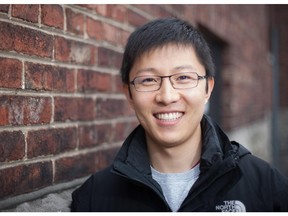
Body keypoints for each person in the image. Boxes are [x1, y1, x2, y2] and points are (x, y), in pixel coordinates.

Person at [70, 17, 288, 212]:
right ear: (128, 93)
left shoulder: (265, 186)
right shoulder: (94, 198)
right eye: (148, 80)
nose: (167, 96)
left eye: (183, 77)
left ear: (208, 88)